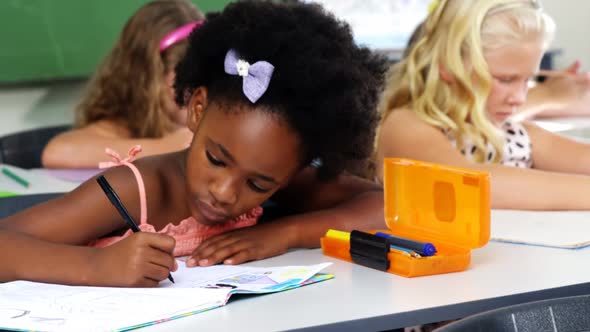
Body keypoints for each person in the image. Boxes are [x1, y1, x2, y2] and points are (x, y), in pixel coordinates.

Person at [0, 0, 386, 287]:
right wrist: (96, 268)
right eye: (217, 159)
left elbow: (388, 207)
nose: (224, 192)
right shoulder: (137, 189)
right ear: (197, 109)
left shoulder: (277, 171)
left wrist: (282, 234)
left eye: (258, 185)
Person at [375, 0, 590, 210]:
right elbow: (467, 184)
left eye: (527, 80)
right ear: (448, 66)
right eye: (506, 80)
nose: (520, 98)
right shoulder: (404, 126)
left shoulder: (514, 136)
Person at [42, 0, 204, 169]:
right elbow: (56, 151)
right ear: (146, 83)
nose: (198, 100)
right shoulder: (124, 126)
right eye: (185, 89)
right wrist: (167, 148)